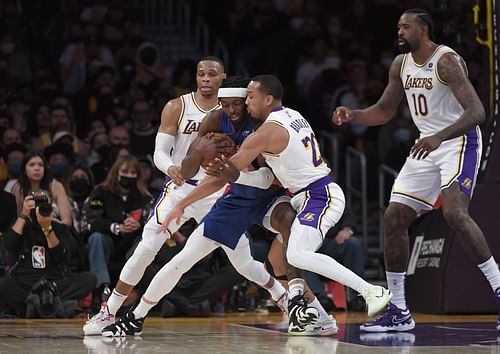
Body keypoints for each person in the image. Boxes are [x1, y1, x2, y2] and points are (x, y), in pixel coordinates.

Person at [173, 75, 391, 335]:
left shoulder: (266, 132)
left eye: (250, 97)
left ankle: (370, 290)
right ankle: (317, 317)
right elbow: (263, 175)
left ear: (267, 99)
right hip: (306, 195)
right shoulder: (292, 114)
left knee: (296, 255)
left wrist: (209, 156)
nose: (246, 102)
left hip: (318, 196)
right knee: (278, 258)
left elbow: (233, 168)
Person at [332, 8, 500, 332]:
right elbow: (384, 110)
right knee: (393, 217)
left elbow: (478, 111)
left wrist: (439, 136)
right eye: (398, 26)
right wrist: (353, 115)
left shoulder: (446, 62)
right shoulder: (401, 65)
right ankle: (399, 310)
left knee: (454, 213)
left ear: (423, 30)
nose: (399, 31)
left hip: (458, 142)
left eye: (406, 26)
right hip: (428, 144)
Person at [98, 76, 293, 337]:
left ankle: (301, 302)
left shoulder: (262, 126)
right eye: (226, 105)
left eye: (238, 104)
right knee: (206, 261)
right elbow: (197, 172)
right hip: (229, 199)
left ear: (247, 102)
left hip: (260, 197)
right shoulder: (213, 120)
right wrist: (199, 153)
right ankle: (126, 314)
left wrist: (237, 168)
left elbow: (270, 177)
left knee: (280, 255)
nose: (232, 111)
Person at [83, 56, 226, 335]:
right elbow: (159, 151)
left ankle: (291, 302)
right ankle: (108, 311)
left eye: (211, 74)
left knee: (241, 254)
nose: (205, 79)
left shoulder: (231, 110)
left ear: (223, 77)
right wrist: (170, 166)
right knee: (147, 248)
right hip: (182, 184)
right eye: (200, 74)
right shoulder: (177, 106)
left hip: (216, 189)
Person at [0, 194, 96, 317]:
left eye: (45, 208)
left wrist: (47, 228)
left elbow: (60, 256)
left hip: (54, 284)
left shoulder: (59, 228)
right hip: (26, 283)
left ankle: (34, 307)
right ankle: (55, 307)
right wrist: (23, 214)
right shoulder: (22, 226)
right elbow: (9, 244)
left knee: (90, 278)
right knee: (3, 283)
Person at [85, 156, 153, 305]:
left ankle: (133, 291)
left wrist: (139, 225)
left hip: (131, 244)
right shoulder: (100, 191)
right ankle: (103, 288)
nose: (128, 176)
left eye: (132, 173)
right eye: (125, 172)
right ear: (116, 173)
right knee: (96, 238)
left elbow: (153, 220)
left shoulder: (145, 197)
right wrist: (117, 227)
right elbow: (92, 220)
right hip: (108, 241)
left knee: (147, 240)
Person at [11, 151, 72, 227]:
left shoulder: (56, 186)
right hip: (28, 234)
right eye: (32, 165)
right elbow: (16, 221)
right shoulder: (18, 189)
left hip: (55, 232)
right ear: (24, 170)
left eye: (40, 165)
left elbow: (67, 221)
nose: (37, 168)